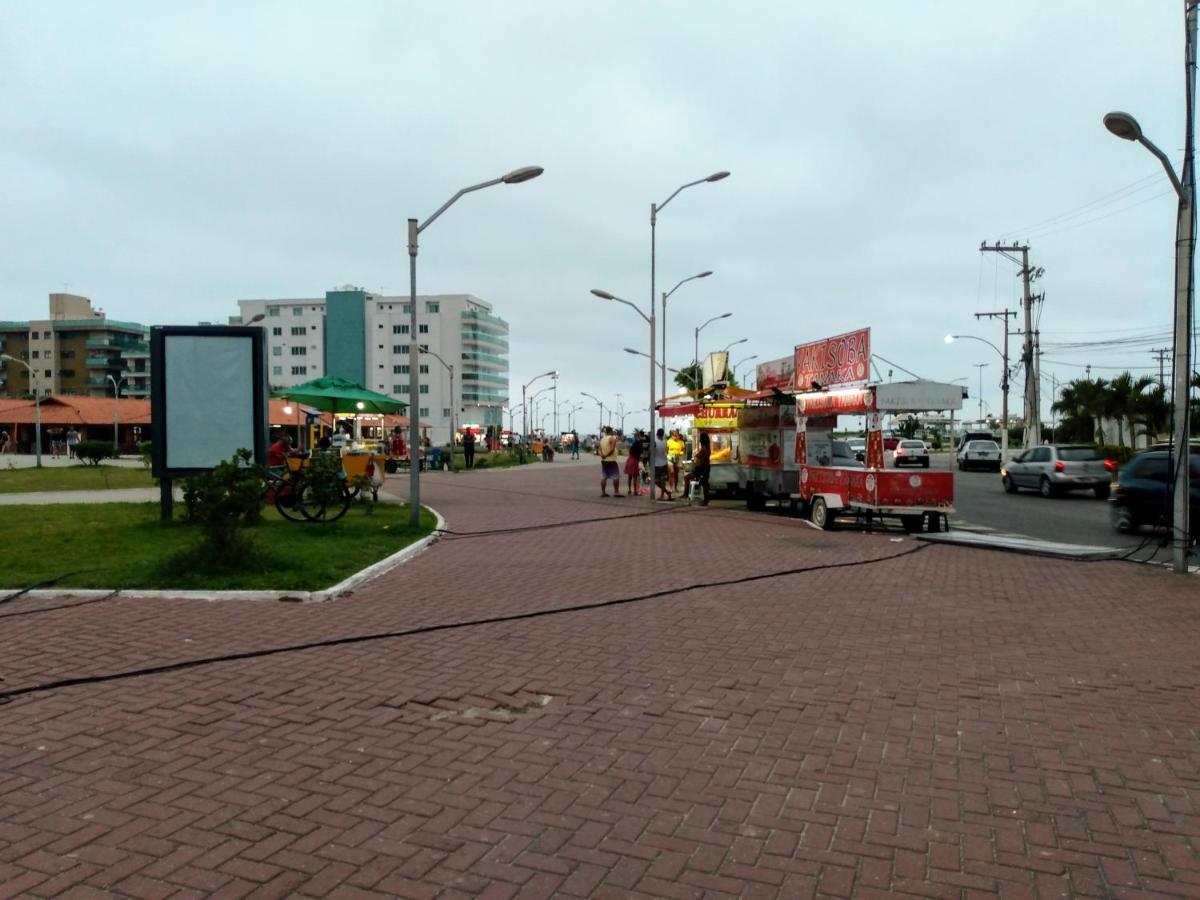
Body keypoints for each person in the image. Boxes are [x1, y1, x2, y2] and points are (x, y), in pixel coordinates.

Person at [685, 431, 711, 505]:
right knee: (705, 483)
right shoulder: (708, 448)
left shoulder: (704, 449)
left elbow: (699, 457)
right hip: (706, 467)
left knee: (687, 477)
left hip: (702, 469)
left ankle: (686, 494)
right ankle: (706, 500)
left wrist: (696, 457)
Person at [598, 426, 621, 497]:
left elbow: (600, 449)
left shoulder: (602, 439)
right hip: (611, 460)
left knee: (604, 476)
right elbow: (612, 449)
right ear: (611, 431)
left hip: (604, 461)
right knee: (616, 476)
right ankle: (616, 492)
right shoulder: (612, 439)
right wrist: (606, 455)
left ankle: (603, 492)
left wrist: (602, 455)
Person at [653, 428, 672, 500]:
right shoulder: (665, 442)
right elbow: (666, 452)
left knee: (655, 481)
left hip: (657, 464)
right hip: (664, 463)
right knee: (662, 480)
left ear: (657, 434)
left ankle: (664, 494)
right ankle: (665, 494)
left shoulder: (655, 442)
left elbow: (652, 452)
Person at [624, 431, 645, 496]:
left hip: (630, 459)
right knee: (635, 476)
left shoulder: (634, 443)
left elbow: (631, 451)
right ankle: (635, 491)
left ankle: (630, 490)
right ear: (639, 436)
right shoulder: (639, 443)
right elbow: (640, 454)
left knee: (630, 476)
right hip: (634, 460)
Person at [667, 428, 686, 494]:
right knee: (671, 472)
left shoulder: (681, 442)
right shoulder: (668, 441)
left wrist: (682, 453)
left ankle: (675, 487)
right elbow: (666, 450)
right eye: (674, 435)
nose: (675, 437)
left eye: (676, 435)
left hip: (678, 457)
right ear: (671, 435)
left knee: (676, 474)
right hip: (670, 457)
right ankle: (671, 487)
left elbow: (683, 449)